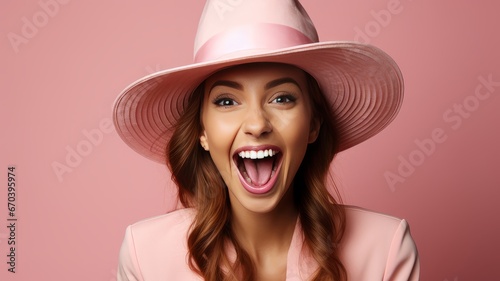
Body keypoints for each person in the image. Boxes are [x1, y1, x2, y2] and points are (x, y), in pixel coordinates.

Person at [113, 0, 420, 280]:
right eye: (227, 101)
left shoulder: (385, 249)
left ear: (313, 123)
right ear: (201, 131)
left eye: (282, 98)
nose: (257, 124)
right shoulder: (146, 257)